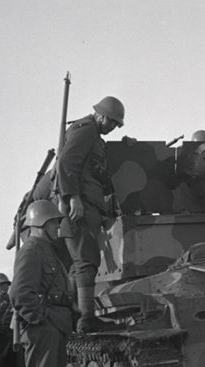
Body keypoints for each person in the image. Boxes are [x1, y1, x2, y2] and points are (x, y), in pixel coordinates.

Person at [9, 200, 75, 367]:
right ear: (41, 224)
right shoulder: (32, 250)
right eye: (54, 223)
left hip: (55, 324)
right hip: (44, 327)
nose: (58, 227)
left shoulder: (47, 250)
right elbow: (19, 293)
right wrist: (40, 319)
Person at [56, 95, 125, 332]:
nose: (113, 127)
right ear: (101, 116)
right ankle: (86, 318)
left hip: (89, 204)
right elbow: (66, 162)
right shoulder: (86, 129)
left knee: (81, 262)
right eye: (112, 122)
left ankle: (78, 315)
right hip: (81, 204)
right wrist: (72, 197)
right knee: (86, 260)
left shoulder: (95, 137)